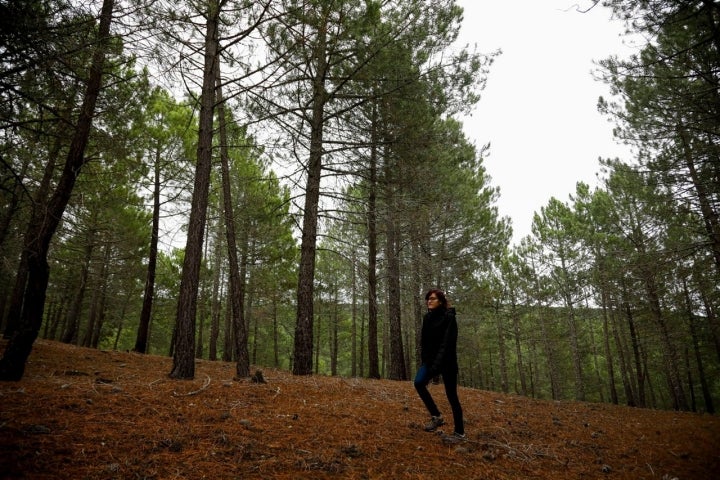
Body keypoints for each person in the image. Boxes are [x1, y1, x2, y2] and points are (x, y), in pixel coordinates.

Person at [414, 288, 466, 444]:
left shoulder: (449, 318)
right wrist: (426, 361)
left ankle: (459, 433)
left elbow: (447, 344)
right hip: (430, 362)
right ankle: (436, 416)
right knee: (418, 382)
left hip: (447, 363)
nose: (429, 301)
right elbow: (425, 342)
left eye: (433, 298)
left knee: (452, 396)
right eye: (428, 299)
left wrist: (437, 365)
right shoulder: (427, 317)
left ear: (441, 301)